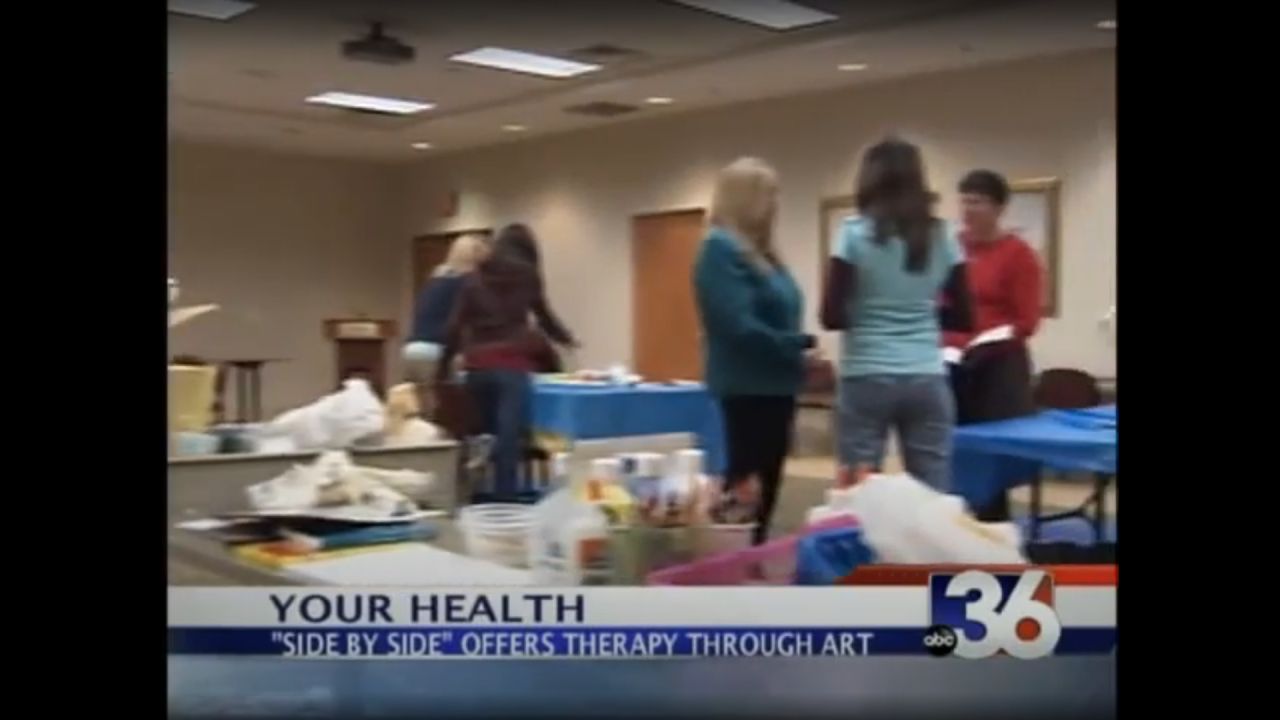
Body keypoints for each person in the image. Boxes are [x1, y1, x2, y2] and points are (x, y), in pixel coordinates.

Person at [819, 138, 973, 490]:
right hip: (926, 375)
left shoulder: (853, 233)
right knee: (933, 488)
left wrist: (870, 312)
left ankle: (864, 546)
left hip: (866, 375)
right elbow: (965, 316)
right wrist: (919, 313)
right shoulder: (943, 235)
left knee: (858, 488)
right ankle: (929, 546)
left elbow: (831, 315)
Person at [693, 157, 814, 544]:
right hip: (745, 389)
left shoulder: (763, 256)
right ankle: (728, 568)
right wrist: (798, 346)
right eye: (769, 195)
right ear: (744, 199)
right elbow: (736, 327)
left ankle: (749, 560)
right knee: (744, 492)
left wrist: (800, 355)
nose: (776, 204)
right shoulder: (719, 250)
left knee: (765, 491)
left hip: (776, 387)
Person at [439, 223, 576, 501]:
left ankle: (469, 493)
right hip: (512, 367)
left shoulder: (474, 277)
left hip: (476, 368)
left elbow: (453, 326)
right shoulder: (528, 276)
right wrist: (566, 338)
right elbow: (543, 315)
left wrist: (443, 367)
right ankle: (505, 501)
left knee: (477, 435)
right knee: (509, 438)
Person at [945, 169, 1043, 520]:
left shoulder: (1018, 255)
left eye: (978, 202)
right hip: (952, 363)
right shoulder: (951, 249)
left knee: (989, 462)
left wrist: (987, 340)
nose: (969, 209)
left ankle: (992, 533)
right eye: (965, 200)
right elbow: (940, 304)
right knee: (953, 455)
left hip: (997, 364)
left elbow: (1026, 320)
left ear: (999, 208)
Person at [403, 234, 489, 387]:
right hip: (435, 352)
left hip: (412, 350)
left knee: (420, 408)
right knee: (448, 406)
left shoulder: (435, 280)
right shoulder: (465, 283)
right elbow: (465, 322)